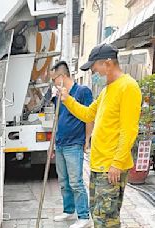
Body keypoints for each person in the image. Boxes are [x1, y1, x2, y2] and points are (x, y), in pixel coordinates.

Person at [59, 44, 142, 228]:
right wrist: (67, 100)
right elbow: (88, 114)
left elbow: (129, 130)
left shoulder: (128, 87)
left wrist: (118, 163)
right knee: (99, 218)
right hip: (98, 165)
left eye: (95, 66)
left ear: (108, 62)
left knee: (107, 221)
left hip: (110, 167)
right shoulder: (107, 90)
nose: (93, 70)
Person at [50, 61, 93, 228]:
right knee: (64, 180)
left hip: (74, 143)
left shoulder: (82, 92)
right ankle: (69, 210)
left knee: (76, 182)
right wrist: (52, 144)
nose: (53, 82)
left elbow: (89, 117)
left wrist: (87, 140)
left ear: (62, 76)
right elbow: (56, 121)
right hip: (60, 143)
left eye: (54, 79)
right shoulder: (58, 97)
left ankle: (84, 216)